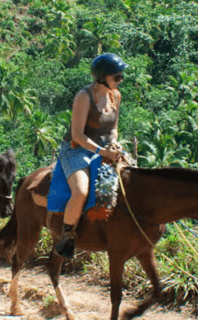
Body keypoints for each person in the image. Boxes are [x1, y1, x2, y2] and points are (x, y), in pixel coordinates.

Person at [55, 53, 128, 259]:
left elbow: (113, 128)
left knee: (132, 179)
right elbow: (78, 135)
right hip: (76, 149)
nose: (120, 80)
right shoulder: (84, 96)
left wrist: (114, 143)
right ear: (101, 77)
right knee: (80, 191)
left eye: (121, 76)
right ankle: (67, 235)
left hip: (104, 148)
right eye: (117, 77)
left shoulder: (116, 96)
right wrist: (102, 151)